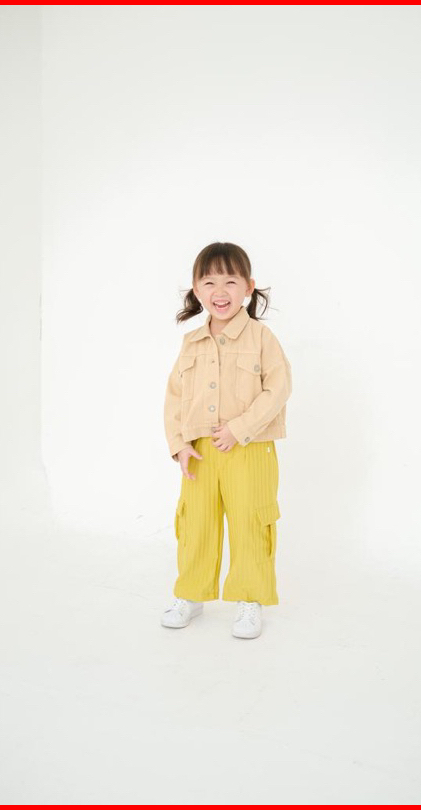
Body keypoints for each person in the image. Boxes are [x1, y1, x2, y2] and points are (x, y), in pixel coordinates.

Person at [162, 242, 292, 639]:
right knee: (195, 524)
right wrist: (179, 444)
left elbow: (279, 388)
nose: (220, 291)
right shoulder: (191, 342)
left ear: (248, 287)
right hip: (200, 452)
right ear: (196, 289)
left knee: (250, 522)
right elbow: (174, 396)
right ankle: (191, 593)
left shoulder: (261, 337)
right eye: (209, 282)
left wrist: (240, 427)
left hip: (250, 449)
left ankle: (249, 599)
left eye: (231, 281)